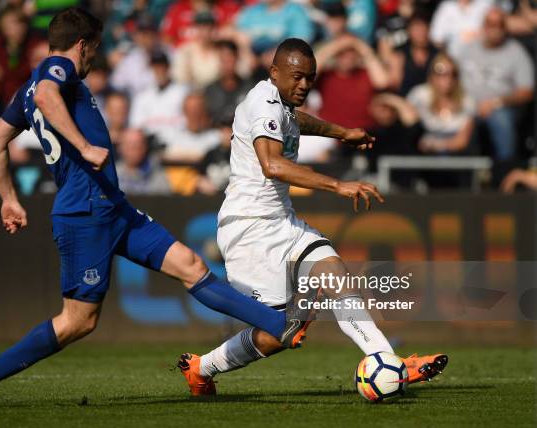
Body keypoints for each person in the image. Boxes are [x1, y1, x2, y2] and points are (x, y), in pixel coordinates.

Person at [0, 8, 312, 408]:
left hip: (112, 206)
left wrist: (8, 199)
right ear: (82, 45)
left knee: (191, 267)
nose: (95, 58)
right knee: (79, 321)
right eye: (94, 49)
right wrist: (83, 145)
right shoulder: (55, 70)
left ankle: (278, 324)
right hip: (85, 213)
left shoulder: (27, 88)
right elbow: (45, 95)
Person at [177, 38, 448, 395]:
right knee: (284, 331)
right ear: (274, 72)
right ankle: (201, 368)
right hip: (249, 231)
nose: (304, 85)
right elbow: (272, 166)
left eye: (310, 78)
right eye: (297, 77)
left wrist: (341, 132)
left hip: (282, 221)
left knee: (335, 272)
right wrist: (338, 185)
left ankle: (387, 360)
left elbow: (294, 120)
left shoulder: (281, 103)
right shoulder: (261, 105)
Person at [458, 7, 534, 162]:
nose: (494, 29)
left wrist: (495, 103)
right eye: (489, 24)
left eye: (498, 24)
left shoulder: (516, 52)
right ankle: (459, 176)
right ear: (483, 26)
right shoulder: (469, 49)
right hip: (467, 106)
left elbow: (527, 91)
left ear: (505, 28)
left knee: (501, 119)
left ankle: (505, 171)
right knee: (455, 119)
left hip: (501, 108)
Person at [315, 33, 389, 130]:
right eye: (343, 53)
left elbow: (383, 82)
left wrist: (358, 45)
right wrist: (337, 45)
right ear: (336, 54)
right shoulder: (326, 75)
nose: (347, 57)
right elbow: (310, 68)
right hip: (329, 135)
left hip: (362, 133)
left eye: (352, 52)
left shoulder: (366, 74)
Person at [407, 53, 475, 155]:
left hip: (455, 157)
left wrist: (435, 145)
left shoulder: (467, 102)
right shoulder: (419, 96)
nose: (447, 78)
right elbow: (407, 121)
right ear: (431, 75)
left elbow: (461, 142)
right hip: (420, 154)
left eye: (453, 73)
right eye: (440, 71)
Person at [115, 128, 170, 195]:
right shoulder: (112, 173)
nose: (134, 150)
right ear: (120, 148)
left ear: (145, 147)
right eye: (129, 145)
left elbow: (164, 201)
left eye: (137, 145)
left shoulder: (156, 172)